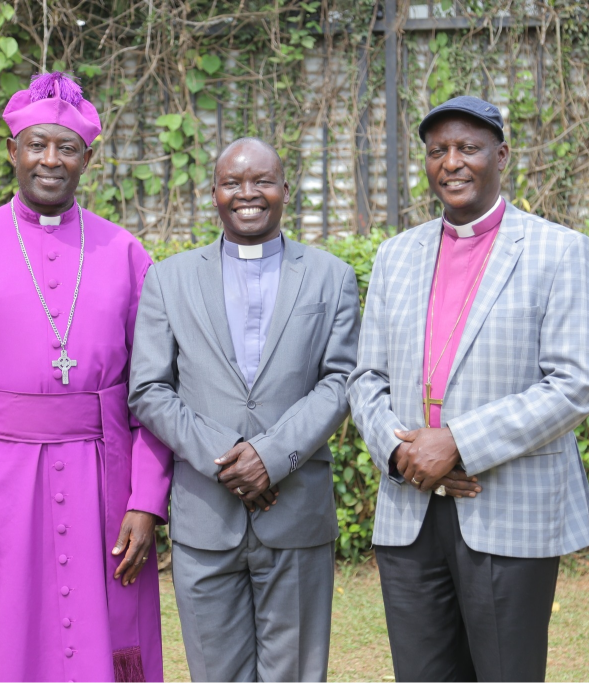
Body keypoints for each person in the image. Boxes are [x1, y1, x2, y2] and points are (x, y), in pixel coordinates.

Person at [0, 72, 173, 683]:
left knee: (104, 644)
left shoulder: (127, 254)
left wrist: (146, 501)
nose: (50, 160)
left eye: (67, 148)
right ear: (13, 151)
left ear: (88, 159)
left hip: (102, 485)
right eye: (37, 145)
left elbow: (154, 395)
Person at [347, 95, 589, 682]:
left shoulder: (559, 250)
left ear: (501, 156)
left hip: (506, 507)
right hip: (410, 510)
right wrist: (403, 453)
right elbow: (366, 379)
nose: (452, 162)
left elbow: (573, 383)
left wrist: (457, 442)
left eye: (468, 148)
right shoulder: (395, 255)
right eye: (438, 150)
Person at [128, 137, 360, 683]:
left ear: (285, 190)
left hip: (296, 514)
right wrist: (229, 456)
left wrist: (271, 456)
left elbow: (341, 381)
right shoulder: (168, 278)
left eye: (262, 181)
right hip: (205, 520)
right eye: (233, 183)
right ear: (213, 193)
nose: (247, 194)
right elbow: (149, 389)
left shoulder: (331, 276)